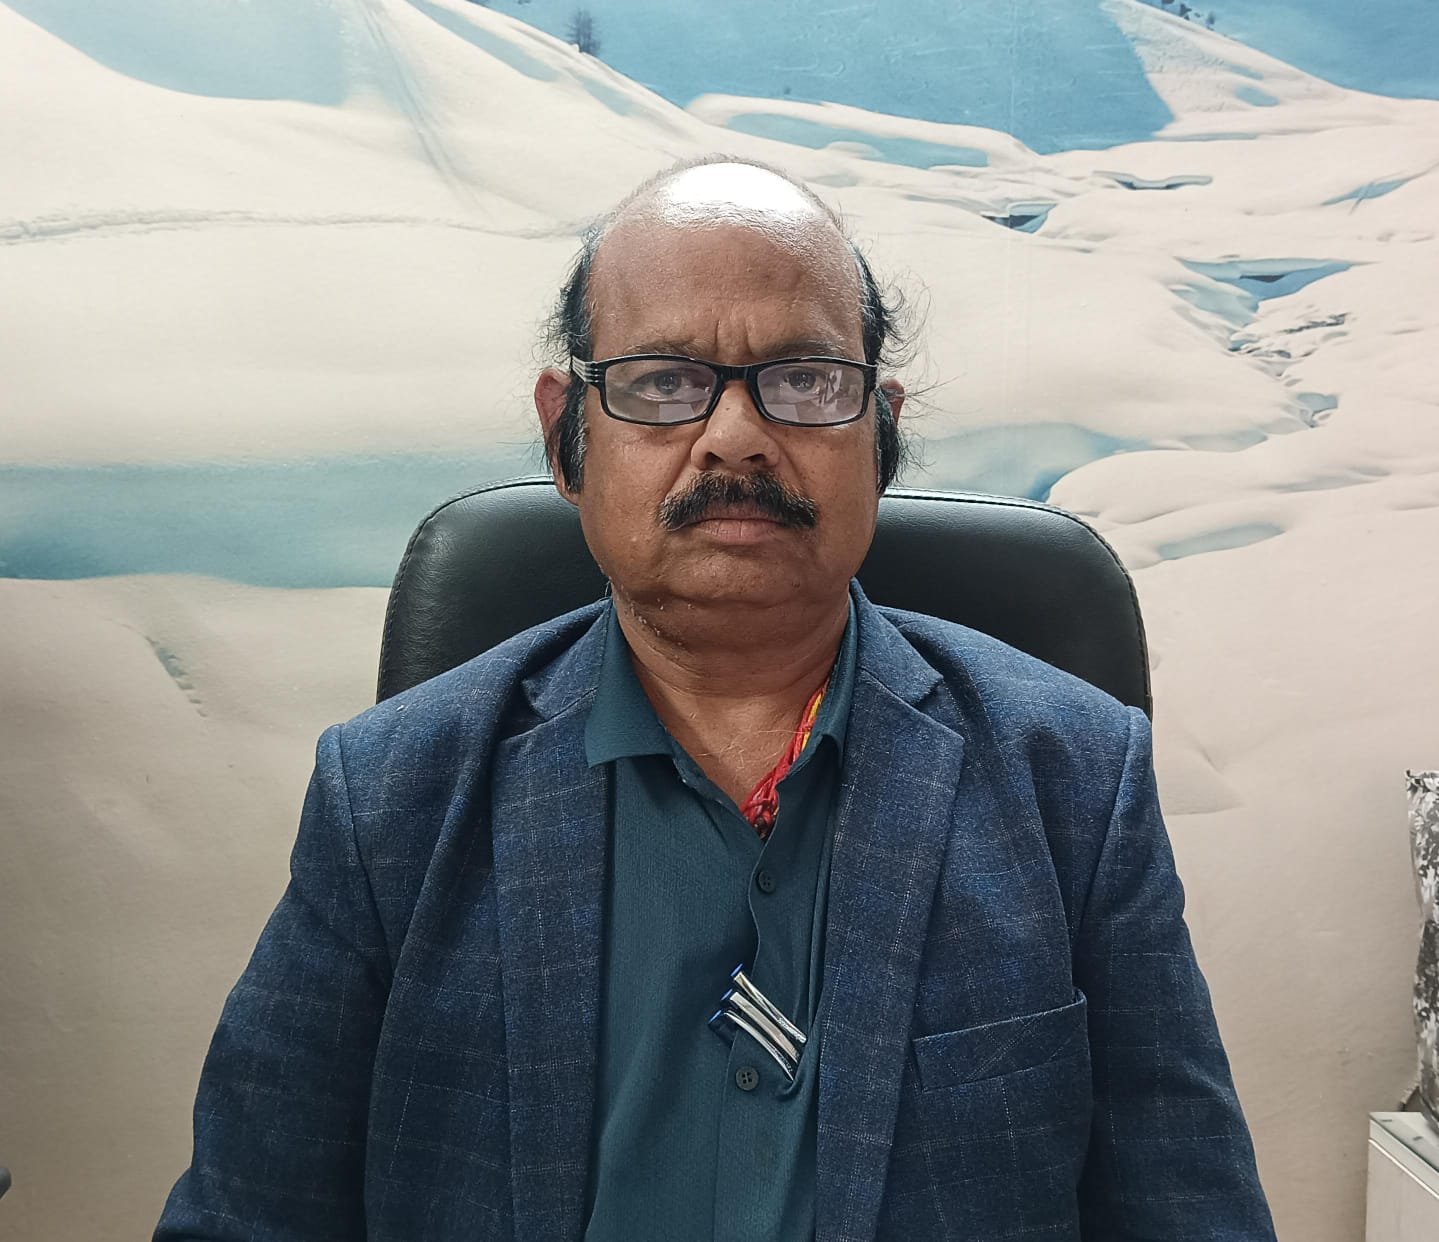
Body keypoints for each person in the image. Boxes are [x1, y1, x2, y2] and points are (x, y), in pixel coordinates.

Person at [156, 156, 1276, 1241]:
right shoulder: (390, 796)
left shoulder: (1074, 780)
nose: (736, 437)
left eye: (805, 380)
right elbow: (249, 1214)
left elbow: (1190, 1211)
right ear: (565, 437)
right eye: (661, 381)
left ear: (879, 434)